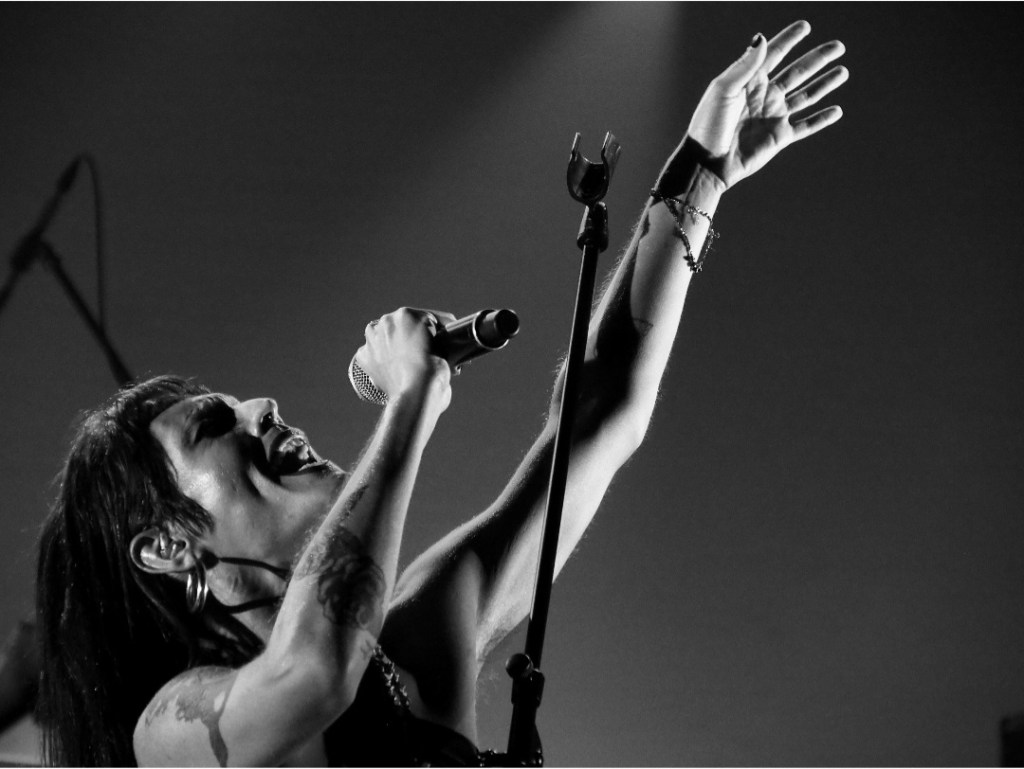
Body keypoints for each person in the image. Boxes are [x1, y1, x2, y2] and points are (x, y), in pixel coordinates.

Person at [35, 21, 848, 767]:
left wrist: (701, 170)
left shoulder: (420, 637)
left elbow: (596, 420)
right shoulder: (172, 725)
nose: (262, 407)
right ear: (166, 545)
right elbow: (312, 674)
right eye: (213, 424)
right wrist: (412, 397)